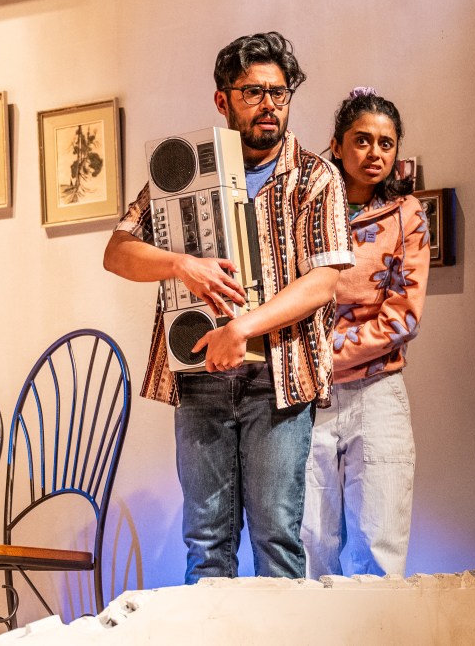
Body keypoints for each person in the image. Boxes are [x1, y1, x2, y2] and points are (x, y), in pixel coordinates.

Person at [103, 32, 354, 582]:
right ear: (223, 100)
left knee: (276, 540)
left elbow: (324, 281)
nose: (269, 105)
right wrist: (180, 264)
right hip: (200, 378)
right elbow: (117, 252)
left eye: (279, 93)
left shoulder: (315, 176)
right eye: (253, 92)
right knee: (206, 547)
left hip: (279, 382)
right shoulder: (185, 171)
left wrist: (242, 328)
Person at [301, 88, 430, 577]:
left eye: (386, 143)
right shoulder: (306, 208)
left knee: (380, 545)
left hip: (378, 391)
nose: (374, 153)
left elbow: (403, 316)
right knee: (310, 544)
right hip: (306, 396)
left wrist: (321, 355)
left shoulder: (406, 214)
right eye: (362, 140)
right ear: (337, 145)